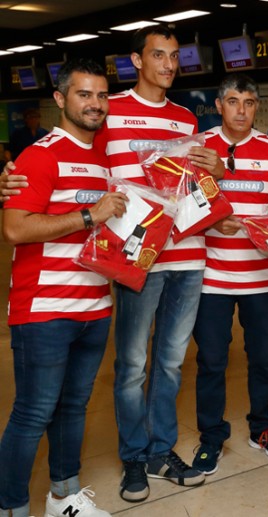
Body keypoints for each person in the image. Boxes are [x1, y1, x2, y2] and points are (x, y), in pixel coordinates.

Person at [94, 25, 224, 502]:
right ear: (137, 60)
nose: (169, 64)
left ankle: (159, 451)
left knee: (170, 363)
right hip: (138, 258)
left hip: (188, 257)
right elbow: (80, 165)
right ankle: (133, 456)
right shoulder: (111, 113)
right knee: (131, 364)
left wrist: (216, 171)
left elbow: (194, 187)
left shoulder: (186, 119)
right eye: (159, 55)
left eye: (175, 56)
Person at [0, 59, 127, 517]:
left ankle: (63, 497)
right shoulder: (40, 156)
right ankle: (10, 506)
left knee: (74, 407)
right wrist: (91, 214)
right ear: (60, 99)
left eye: (101, 95)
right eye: (83, 94)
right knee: (34, 412)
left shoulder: (102, 158)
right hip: (44, 311)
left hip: (93, 306)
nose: (95, 104)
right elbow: (15, 229)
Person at [190, 74, 268, 475]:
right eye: (232, 101)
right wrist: (212, 224)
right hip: (212, 277)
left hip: (261, 278)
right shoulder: (198, 147)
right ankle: (211, 436)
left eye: (249, 102)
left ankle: (262, 427)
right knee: (213, 360)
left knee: (264, 358)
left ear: (257, 107)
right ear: (219, 105)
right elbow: (182, 208)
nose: (241, 110)